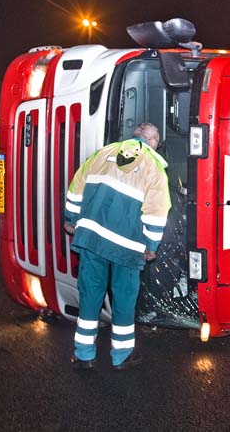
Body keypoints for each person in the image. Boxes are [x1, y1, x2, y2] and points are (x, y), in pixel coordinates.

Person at [64, 122, 170, 370]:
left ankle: (83, 355)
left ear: (135, 136)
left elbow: (75, 189)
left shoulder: (103, 153)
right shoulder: (154, 167)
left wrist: (71, 219)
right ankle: (121, 356)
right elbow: (156, 213)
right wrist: (151, 245)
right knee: (123, 300)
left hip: (92, 239)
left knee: (90, 296)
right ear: (153, 141)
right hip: (127, 246)